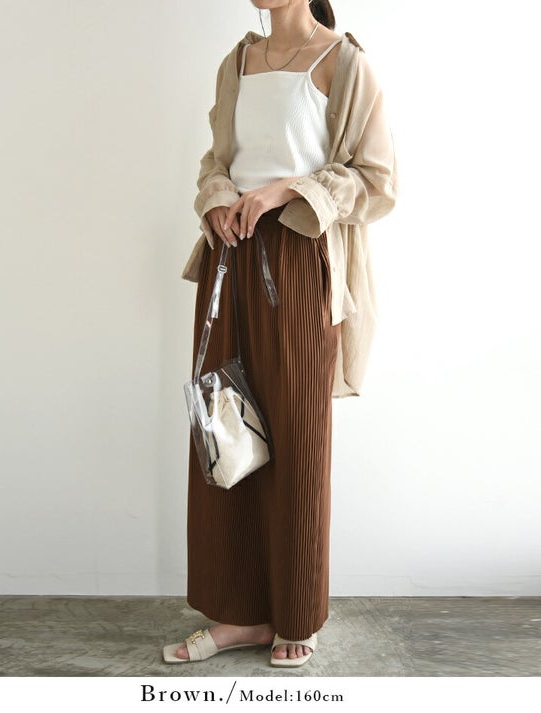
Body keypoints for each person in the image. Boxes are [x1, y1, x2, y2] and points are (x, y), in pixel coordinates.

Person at [164, 0, 397, 667]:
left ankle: (295, 612)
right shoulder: (237, 61)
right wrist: (217, 199)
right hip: (228, 258)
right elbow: (216, 161)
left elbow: (377, 182)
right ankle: (239, 615)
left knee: (296, 438)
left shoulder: (345, 64)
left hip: (299, 258)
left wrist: (286, 191)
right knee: (222, 429)